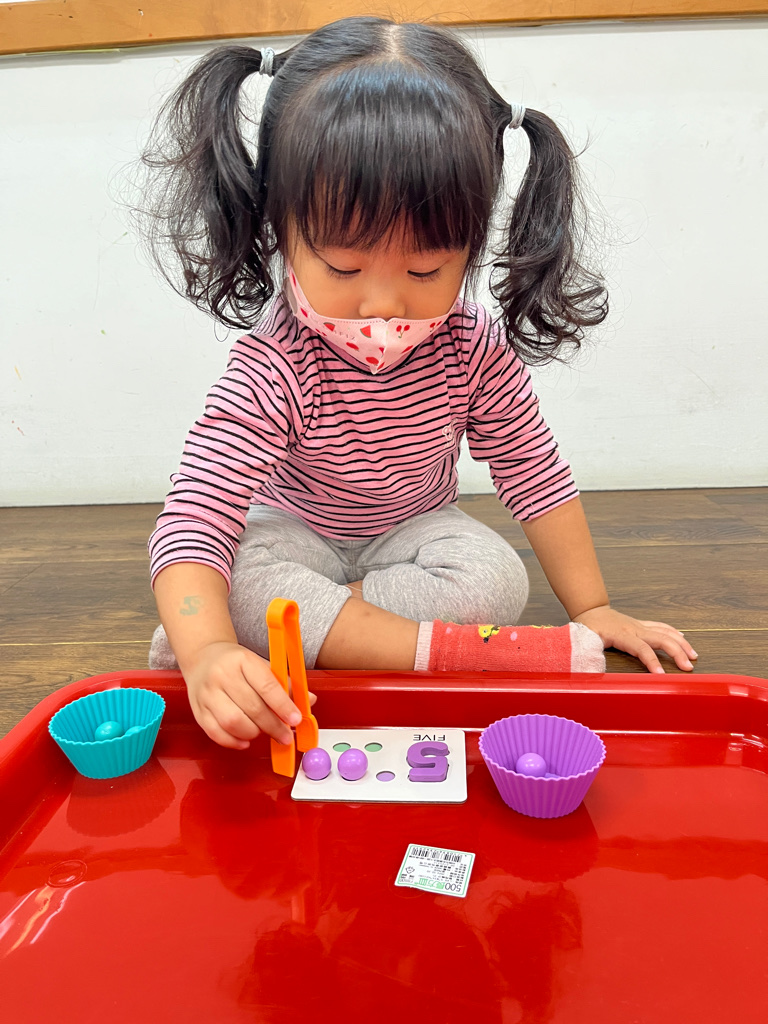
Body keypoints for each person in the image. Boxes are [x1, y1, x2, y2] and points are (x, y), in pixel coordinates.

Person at [134, 16, 697, 751]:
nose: (382, 304)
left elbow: (534, 472)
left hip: (412, 535)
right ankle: (409, 647)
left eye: (426, 269)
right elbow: (195, 515)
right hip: (293, 534)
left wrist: (592, 608)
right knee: (235, 577)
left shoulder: (471, 345)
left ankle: (301, 637)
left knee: (496, 580)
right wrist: (207, 649)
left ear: (472, 244)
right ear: (279, 227)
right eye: (342, 266)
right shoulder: (274, 362)